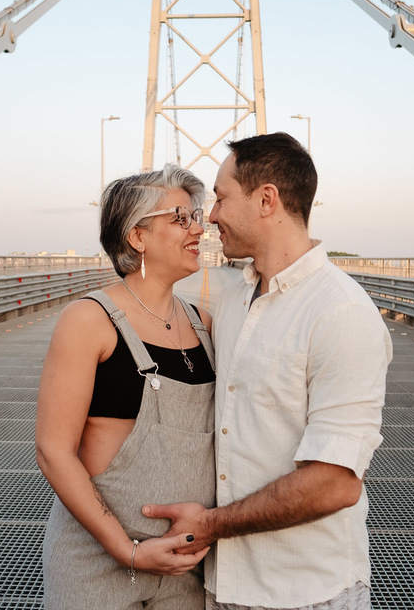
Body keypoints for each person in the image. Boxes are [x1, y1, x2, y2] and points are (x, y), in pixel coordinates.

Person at [142, 133, 393, 610]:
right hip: (223, 585)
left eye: (221, 198)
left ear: (266, 199)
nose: (211, 216)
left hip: (306, 592)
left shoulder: (340, 313)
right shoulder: (235, 297)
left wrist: (210, 525)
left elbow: (336, 482)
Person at [35, 163, 217, 610]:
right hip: (98, 566)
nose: (199, 229)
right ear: (137, 237)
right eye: (181, 218)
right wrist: (128, 552)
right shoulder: (89, 320)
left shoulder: (204, 323)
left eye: (196, 216)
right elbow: (53, 451)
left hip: (185, 568)